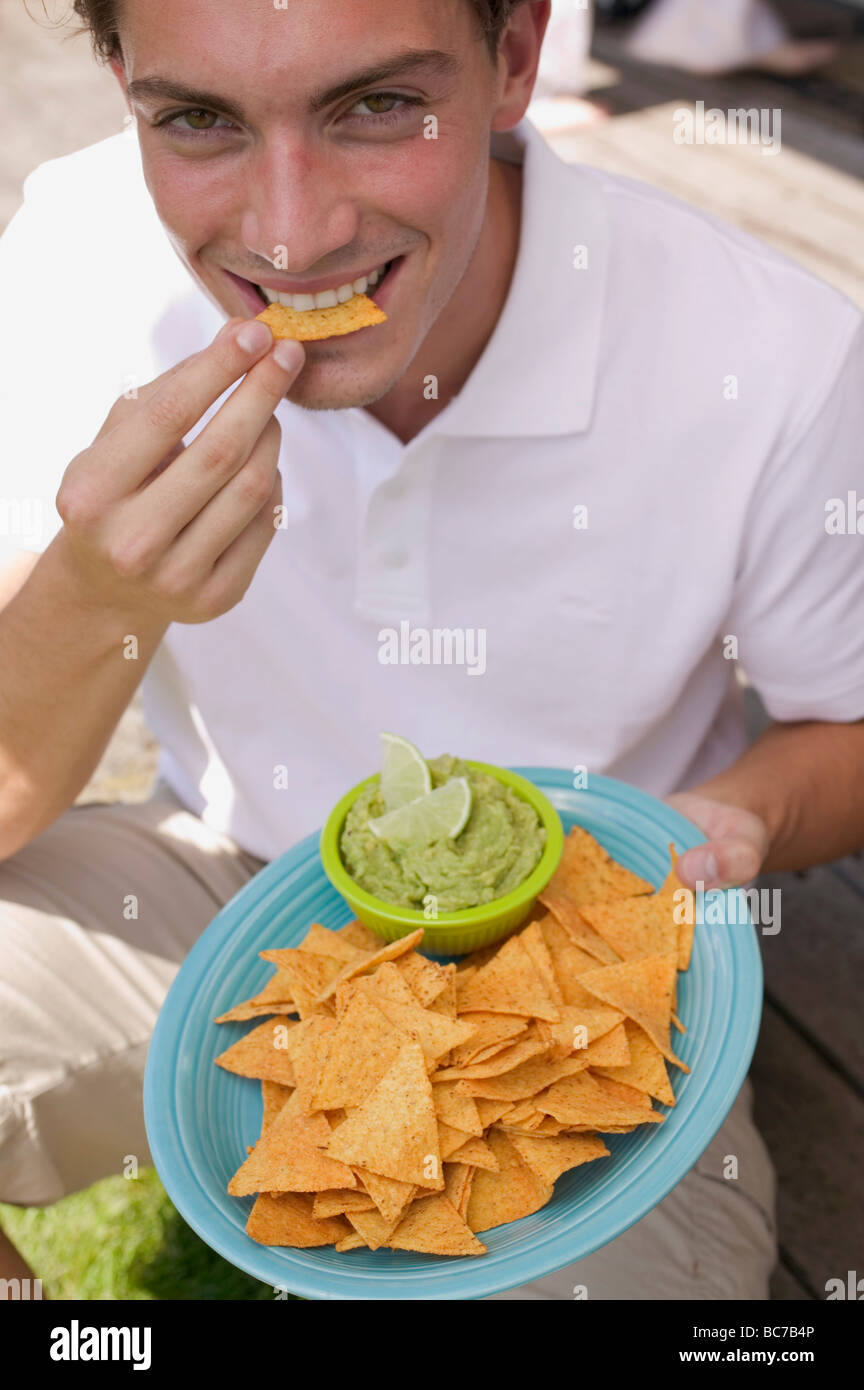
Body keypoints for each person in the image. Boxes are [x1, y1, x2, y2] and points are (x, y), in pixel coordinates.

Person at [0, 0, 862, 1300]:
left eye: (376, 105)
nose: (291, 235)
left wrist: (727, 822)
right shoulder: (78, 251)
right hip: (223, 889)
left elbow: (846, 722)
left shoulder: (772, 351)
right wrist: (93, 597)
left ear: (517, 57)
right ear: (122, 81)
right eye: (199, 118)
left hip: (588, 946)